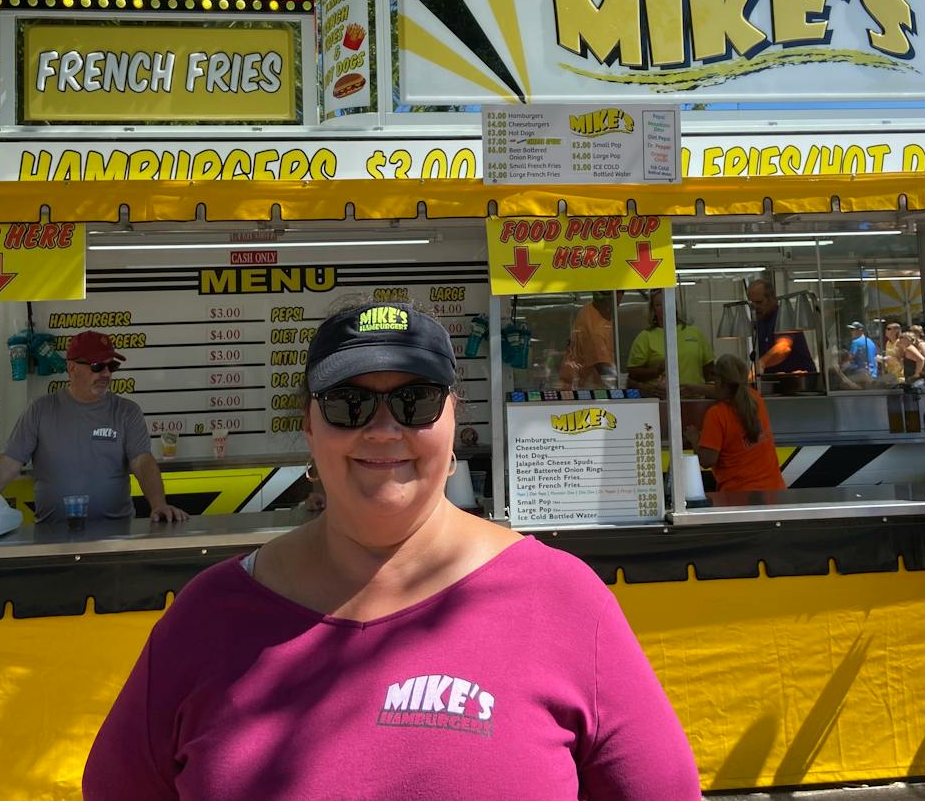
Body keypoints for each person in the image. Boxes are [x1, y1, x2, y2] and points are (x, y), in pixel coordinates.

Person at [83, 303, 701, 799]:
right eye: (348, 404)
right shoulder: (206, 617)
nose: (383, 429)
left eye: (416, 402)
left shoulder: (564, 601)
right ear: (308, 426)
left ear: (453, 419)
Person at [0, 331, 189, 524]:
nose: (106, 373)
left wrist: (159, 504)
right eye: (97, 366)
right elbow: (9, 462)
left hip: (116, 535)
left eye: (111, 366)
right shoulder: (40, 410)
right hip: (52, 536)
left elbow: (142, 461)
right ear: (72, 367)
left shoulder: (127, 411)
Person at [699, 354, 786, 492]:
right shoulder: (755, 398)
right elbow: (729, 391)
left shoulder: (716, 414)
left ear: (720, 381)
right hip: (775, 492)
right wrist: (695, 389)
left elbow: (707, 460)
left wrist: (693, 439)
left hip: (739, 498)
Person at [626, 288, 716, 398]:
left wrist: (705, 390)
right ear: (653, 310)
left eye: (668, 302)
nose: (664, 307)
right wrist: (656, 370)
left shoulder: (695, 333)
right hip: (662, 401)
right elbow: (633, 374)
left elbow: (709, 370)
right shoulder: (645, 337)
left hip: (695, 400)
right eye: (659, 304)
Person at [746, 278, 817, 374]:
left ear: (772, 299)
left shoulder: (784, 316)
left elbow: (783, 348)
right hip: (775, 382)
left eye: (759, 302)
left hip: (799, 382)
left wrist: (761, 363)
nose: (755, 308)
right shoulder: (759, 321)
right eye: (751, 303)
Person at [559, 290, 619, 390]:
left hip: (581, 386)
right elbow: (605, 371)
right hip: (580, 390)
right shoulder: (594, 328)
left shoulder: (592, 311)